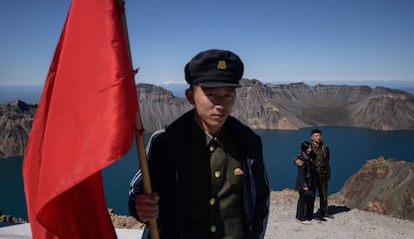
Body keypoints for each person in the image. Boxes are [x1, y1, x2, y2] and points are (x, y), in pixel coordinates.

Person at [128, 49, 270, 238]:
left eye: (228, 94)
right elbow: (137, 192)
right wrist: (140, 208)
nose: (220, 104)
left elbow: (260, 202)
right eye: (211, 94)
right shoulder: (165, 143)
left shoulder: (249, 143)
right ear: (190, 96)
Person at [296, 129, 332, 220]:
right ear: (312, 137)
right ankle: (308, 213)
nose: (319, 137)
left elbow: (327, 159)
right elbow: (299, 155)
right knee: (310, 195)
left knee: (323, 194)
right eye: (316, 136)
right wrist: (295, 160)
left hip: (323, 173)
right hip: (313, 175)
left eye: (320, 135)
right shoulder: (309, 146)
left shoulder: (325, 146)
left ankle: (324, 212)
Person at [294, 141, 316, 223]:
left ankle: (309, 216)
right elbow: (301, 174)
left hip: (311, 181)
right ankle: (300, 217)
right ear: (304, 149)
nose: (310, 149)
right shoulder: (302, 160)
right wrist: (304, 185)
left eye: (310, 147)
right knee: (303, 200)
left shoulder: (309, 156)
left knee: (310, 198)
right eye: (308, 148)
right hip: (304, 182)